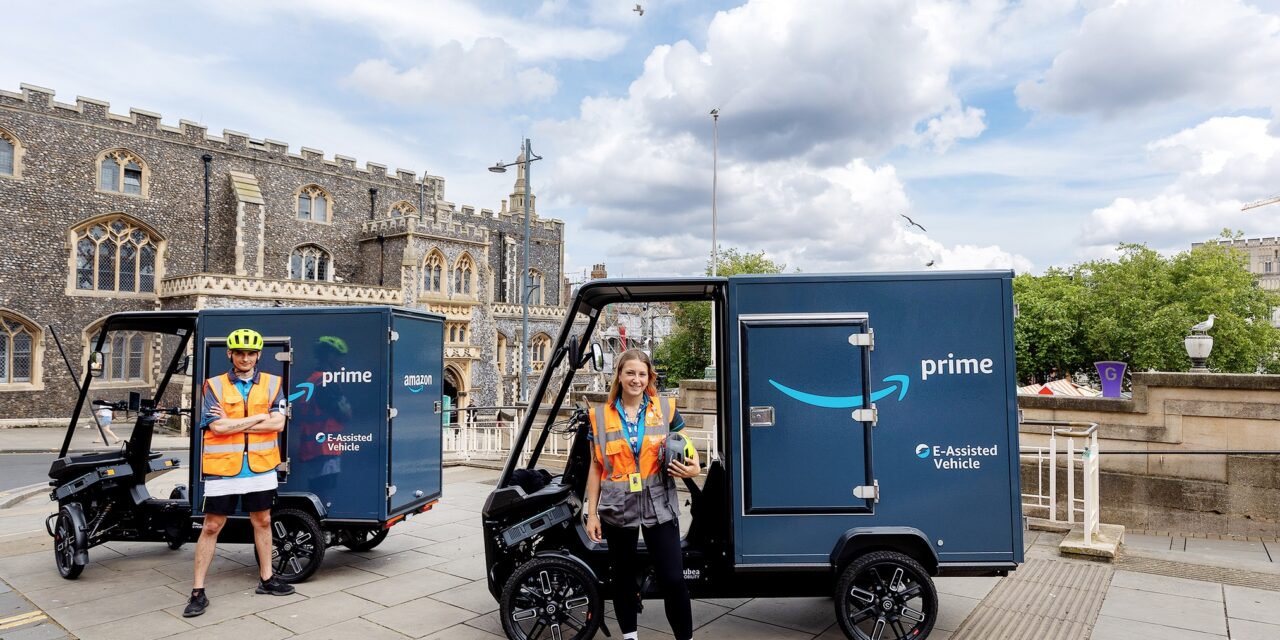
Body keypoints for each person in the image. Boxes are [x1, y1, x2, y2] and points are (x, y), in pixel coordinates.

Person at [584, 348, 701, 640]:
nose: (636, 379)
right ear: (620, 377)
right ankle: (630, 637)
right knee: (622, 577)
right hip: (617, 505)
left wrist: (693, 467)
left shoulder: (666, 408)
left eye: (642, 374)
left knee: (673, 579)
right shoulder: (598, 417)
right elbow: (596, 468)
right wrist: (592, 513)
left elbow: (687, 447)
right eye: (630, 373)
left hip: (658, 503)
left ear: (649, 377)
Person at [184, 328, 294, 618]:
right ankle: (198, 592)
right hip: (223, 469)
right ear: (229, 354)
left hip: (260, 466)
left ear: (258, 355)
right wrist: (260, 417)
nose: (245, 358)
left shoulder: (273, 383)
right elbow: (216, 427)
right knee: (211, 526)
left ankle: (267, 580)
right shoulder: (213, 385)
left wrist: (238, 421)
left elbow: (278, 424)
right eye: (239, 353)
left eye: (250, 353)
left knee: (263, 520)